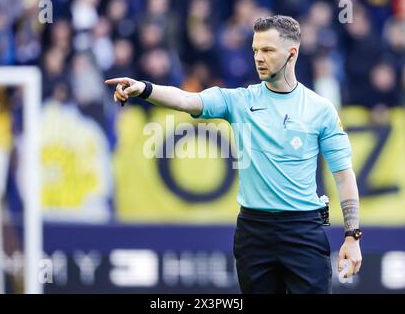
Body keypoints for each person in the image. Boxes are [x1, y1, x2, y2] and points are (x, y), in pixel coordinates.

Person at [105, 15, 362, 294]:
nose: (259, 58)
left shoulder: (320, 109)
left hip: (302, 231)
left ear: (292, 53)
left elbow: (344, 175)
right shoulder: (239, 101)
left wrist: (352, 236)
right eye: (255, 50)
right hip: (254, 232)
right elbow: (186, 99)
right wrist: (144, 88)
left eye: (267, 50)